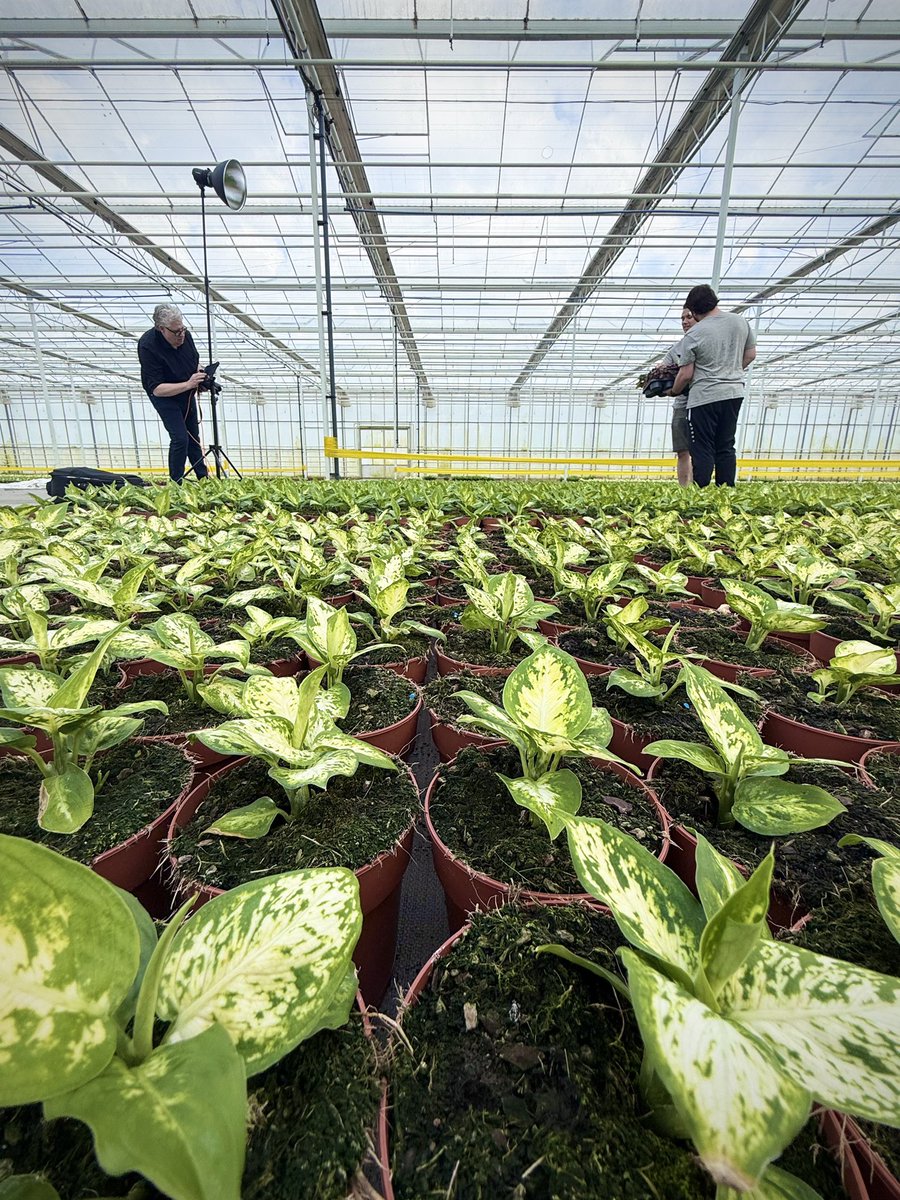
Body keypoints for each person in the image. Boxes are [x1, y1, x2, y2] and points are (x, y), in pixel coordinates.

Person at [670, 284, 756, 488]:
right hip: (734, 392)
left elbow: (686, 374)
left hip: (705, 396)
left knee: (702, 446)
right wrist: (731, 370)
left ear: (695, 310)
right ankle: (725, 494)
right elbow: (751, 355)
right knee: (726, 446)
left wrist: (673, 390)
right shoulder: (740, 322)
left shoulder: (696, 333)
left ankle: (702, 493)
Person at [137, 303, 210, 483]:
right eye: (176, 332)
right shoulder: (147, 346)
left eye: (183, 329)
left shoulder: (186, 337)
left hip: (186, 392)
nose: (181, 335)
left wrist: (200, 376)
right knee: (180, 438)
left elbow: (194, 362)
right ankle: (176, 483)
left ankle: (204, 480)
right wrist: (188, 384)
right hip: (165, 396)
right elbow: (157, 388)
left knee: (193, 437)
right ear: (161, 329)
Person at [660, 307, 697, 487]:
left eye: (689, 317)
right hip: (681, 404)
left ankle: (699, 487)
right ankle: (684, 490)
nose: (684, 321)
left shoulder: (707, 345)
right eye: (682, 318)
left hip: (703, 403)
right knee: (683, 451)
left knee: (702, 450)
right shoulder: (675, 350)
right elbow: (662, 368)